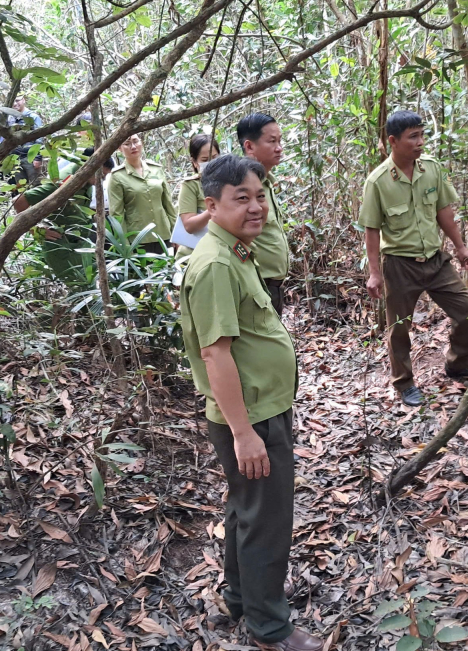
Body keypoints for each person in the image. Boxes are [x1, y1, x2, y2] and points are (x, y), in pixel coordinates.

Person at [180, 154, 322, 651]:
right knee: (266, 521)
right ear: (212, 205)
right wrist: (244, 434)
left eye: (259, 196)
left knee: (247, 509)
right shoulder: (216, 262)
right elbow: (215, 354)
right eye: (242, 198)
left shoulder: (237, 251)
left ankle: (241, 598)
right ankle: (269, 627)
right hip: (253, 417)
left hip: (262, 408)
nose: (256, 207)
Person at [360, 110, 468, 407]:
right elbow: (372, 230)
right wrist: (374, 273)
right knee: (399, 327)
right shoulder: (377, 182)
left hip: (435, 260)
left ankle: (458, 363)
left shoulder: (432, 169)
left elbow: (444, 213)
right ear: (393, 141)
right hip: (399, 265)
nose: (420, 142)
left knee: (467, 309)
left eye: (421, 135)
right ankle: (404, 383)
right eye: (413, 136)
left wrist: (460, 247)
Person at [13, 147, 115, 287]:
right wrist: (34, 229)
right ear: (90, 166)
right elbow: (19, 201)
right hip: (62, 247)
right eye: (101, 175)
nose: (102, 180)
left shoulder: (87, 183)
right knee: (79, 289)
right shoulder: (61, 184)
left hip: (81, 244)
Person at [237, 113, 290, 314]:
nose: (279, 148)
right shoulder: (240, 186)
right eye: (272, 141)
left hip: (272, 286)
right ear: (249, 146)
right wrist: (250, 276)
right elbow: (231, 238)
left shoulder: (266, 183)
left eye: (280, 141)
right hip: (256, 285)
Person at [107, 133, 176, 254]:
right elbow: (117, 214)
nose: (133, 146)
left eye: (135, 141)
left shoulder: (156, 169)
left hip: (164, 235)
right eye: (127, 144)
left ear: (141, 143)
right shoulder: (117, 176)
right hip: (137, 239)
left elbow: (168, 205)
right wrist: (125, 245)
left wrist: (177, 234)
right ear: (119, 148)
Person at [173, 133, 221, 259]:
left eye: (215, 157)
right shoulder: (191, 185)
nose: (211, 163)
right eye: (205, 160)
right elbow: (189, 225)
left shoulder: (231, 182)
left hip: (222, 252)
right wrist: (216, 206)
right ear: (194, 162)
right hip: (194, 255)